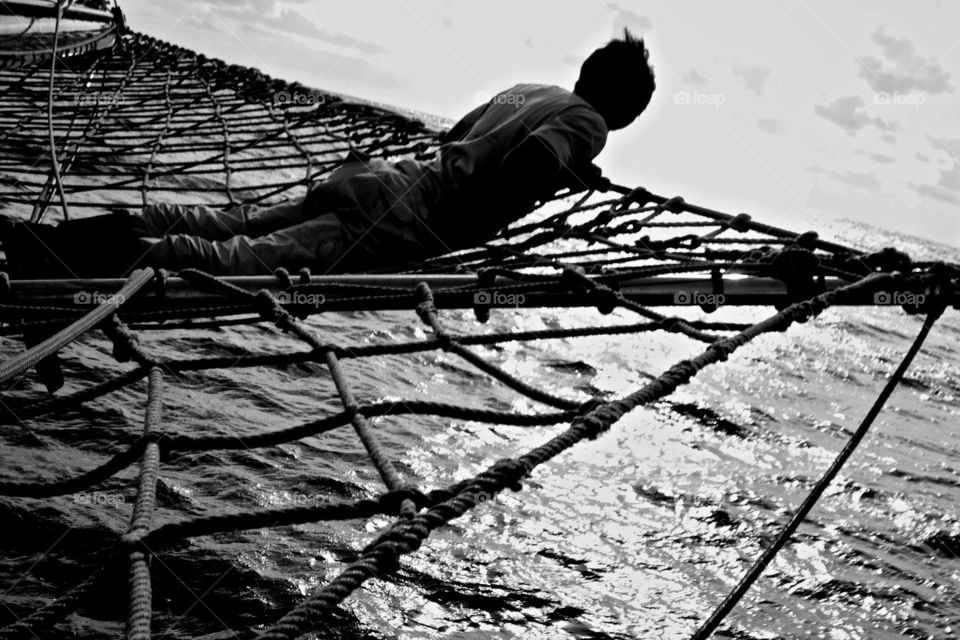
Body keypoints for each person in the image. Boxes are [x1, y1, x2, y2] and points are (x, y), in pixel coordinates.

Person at [1, 29, 655, 278]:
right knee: (232, 260)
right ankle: (56, 263)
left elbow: (457, 134)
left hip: (379, 179)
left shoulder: (528, 89)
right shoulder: (588, 123)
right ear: (622, 108)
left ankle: (54, 239)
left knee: (225, 224)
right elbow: (534, 161)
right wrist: (567, 169)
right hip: (403, 219)